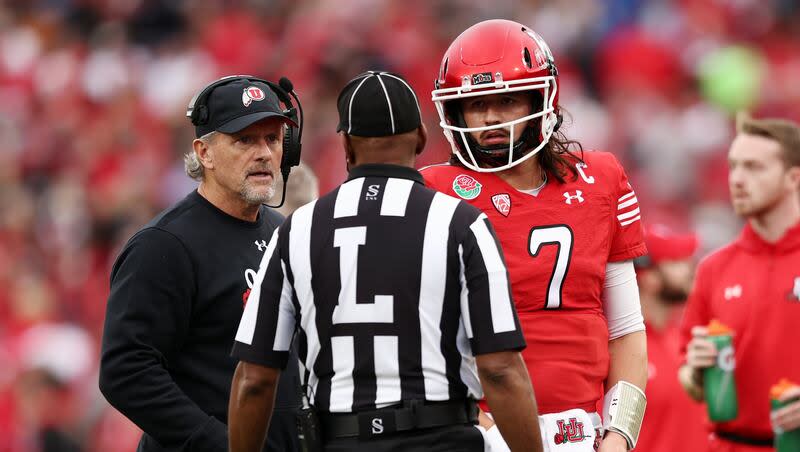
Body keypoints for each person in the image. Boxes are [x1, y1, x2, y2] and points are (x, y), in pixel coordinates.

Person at [227, 70, 543, 452]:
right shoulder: (463, 224)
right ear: (422, 138)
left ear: (345, 145)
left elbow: (255, 378)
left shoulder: (297, 230)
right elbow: (500, 369)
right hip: (442, 438)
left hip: (342, 440)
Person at [421, 20, 648, 452]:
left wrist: (620, 433)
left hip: (583, 431)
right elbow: (417, 334)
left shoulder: (601, 179)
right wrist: (479, 426)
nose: (488, 116)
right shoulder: (434, 191)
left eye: (505, 99)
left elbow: (626, 328)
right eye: (475, 103)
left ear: (542, 97)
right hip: (478, 430)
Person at [99, 75, 304, 452]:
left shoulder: (285, 233)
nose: (262, 153)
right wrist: (222, 445)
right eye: (244, 140)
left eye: (272, 139)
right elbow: (125, 372)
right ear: (204, 153)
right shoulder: (164, 245)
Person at [680, 113, 800, 451]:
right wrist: (696, 371)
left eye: (754, 168)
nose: (737, 179)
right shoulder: (713, 268)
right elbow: (689, 380)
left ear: (794, 178)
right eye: (734, 166)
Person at [634, 225, 708, 452]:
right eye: (676, 262)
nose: (689, 269)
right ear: (649, 278)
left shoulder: (687, 339)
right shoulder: (620, 349)